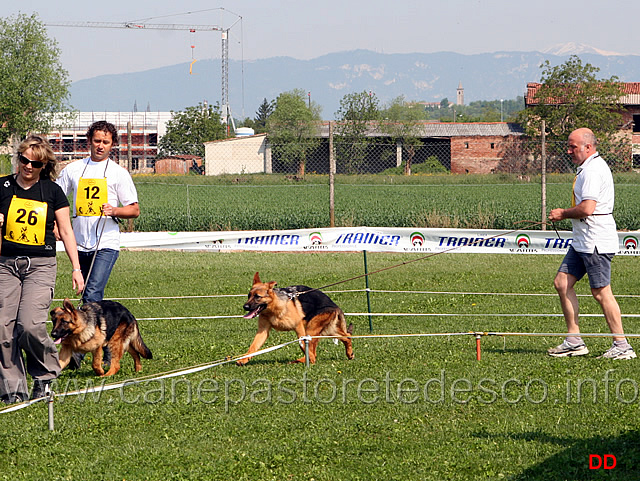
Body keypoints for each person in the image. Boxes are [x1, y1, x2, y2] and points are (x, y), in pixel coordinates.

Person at [0, 135, 85, 404]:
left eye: (34, 163)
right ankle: (13, 388)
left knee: (29, 325)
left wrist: (76, 268)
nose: (27, 166)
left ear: (43, 165)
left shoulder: (52, 191)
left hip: (40, 265)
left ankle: (46, 374)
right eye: (23, 160)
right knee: (2, 327)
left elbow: (67, 231)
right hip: (6, 265)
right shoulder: (2, 187)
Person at [56, 121, 140, 369]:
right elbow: (57, 199)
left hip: (107, 242)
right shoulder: (73, 170)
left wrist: (115, 210)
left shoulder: (118, 173)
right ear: (89, 141)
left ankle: (78, 353)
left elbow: (134, 209)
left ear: (113, 144)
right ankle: (97, 344)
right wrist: (54, 225)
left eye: (105, 142)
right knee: (86, 296)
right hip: (79, 243)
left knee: (92, 294)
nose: (100, 146)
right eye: (96, 141)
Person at [547, 127, 635, 360]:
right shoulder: (587, 168)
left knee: (600, 292)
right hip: (582, 241)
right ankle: (574, 340)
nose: (569, 150)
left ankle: (622, 345)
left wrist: (562, 214)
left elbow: (587, 208)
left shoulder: (593, 170)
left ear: (588, 147)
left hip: (595, 240)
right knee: (562, 283)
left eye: (573, 146)